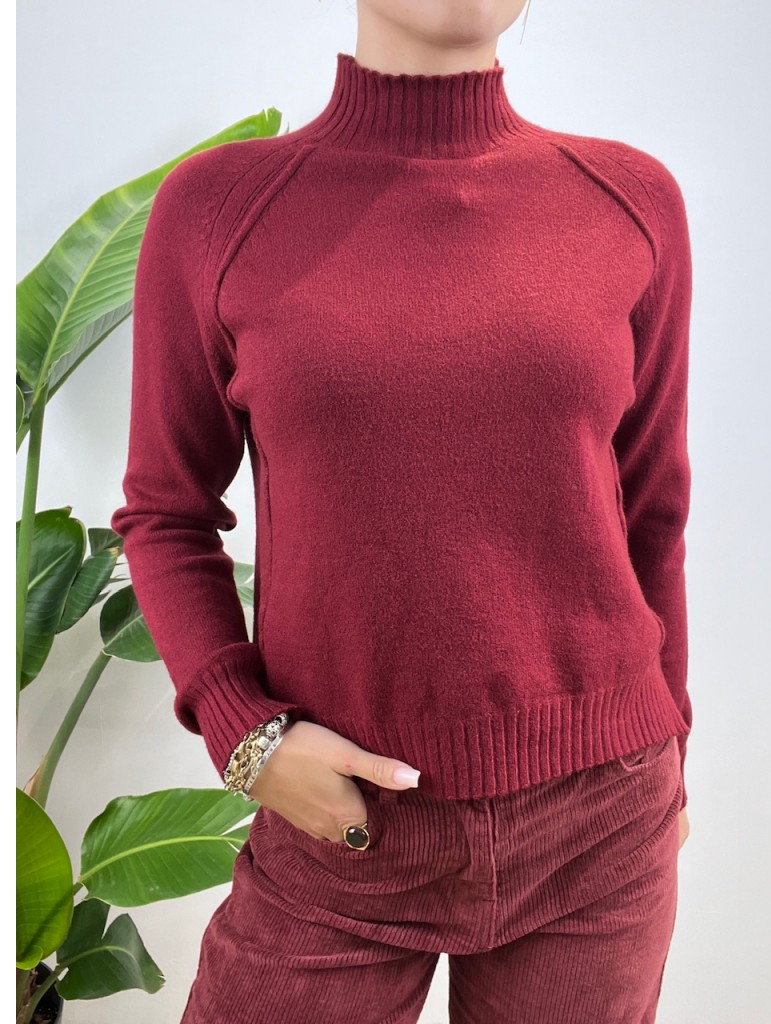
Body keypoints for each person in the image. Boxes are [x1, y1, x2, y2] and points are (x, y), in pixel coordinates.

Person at [110, 1, 695, 1020]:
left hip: (602, 825)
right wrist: (248, 737)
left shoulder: (630, 201)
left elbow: (651, 512)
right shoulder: (218, 209)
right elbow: (166, 509)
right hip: (341, 829)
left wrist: (672, 753)